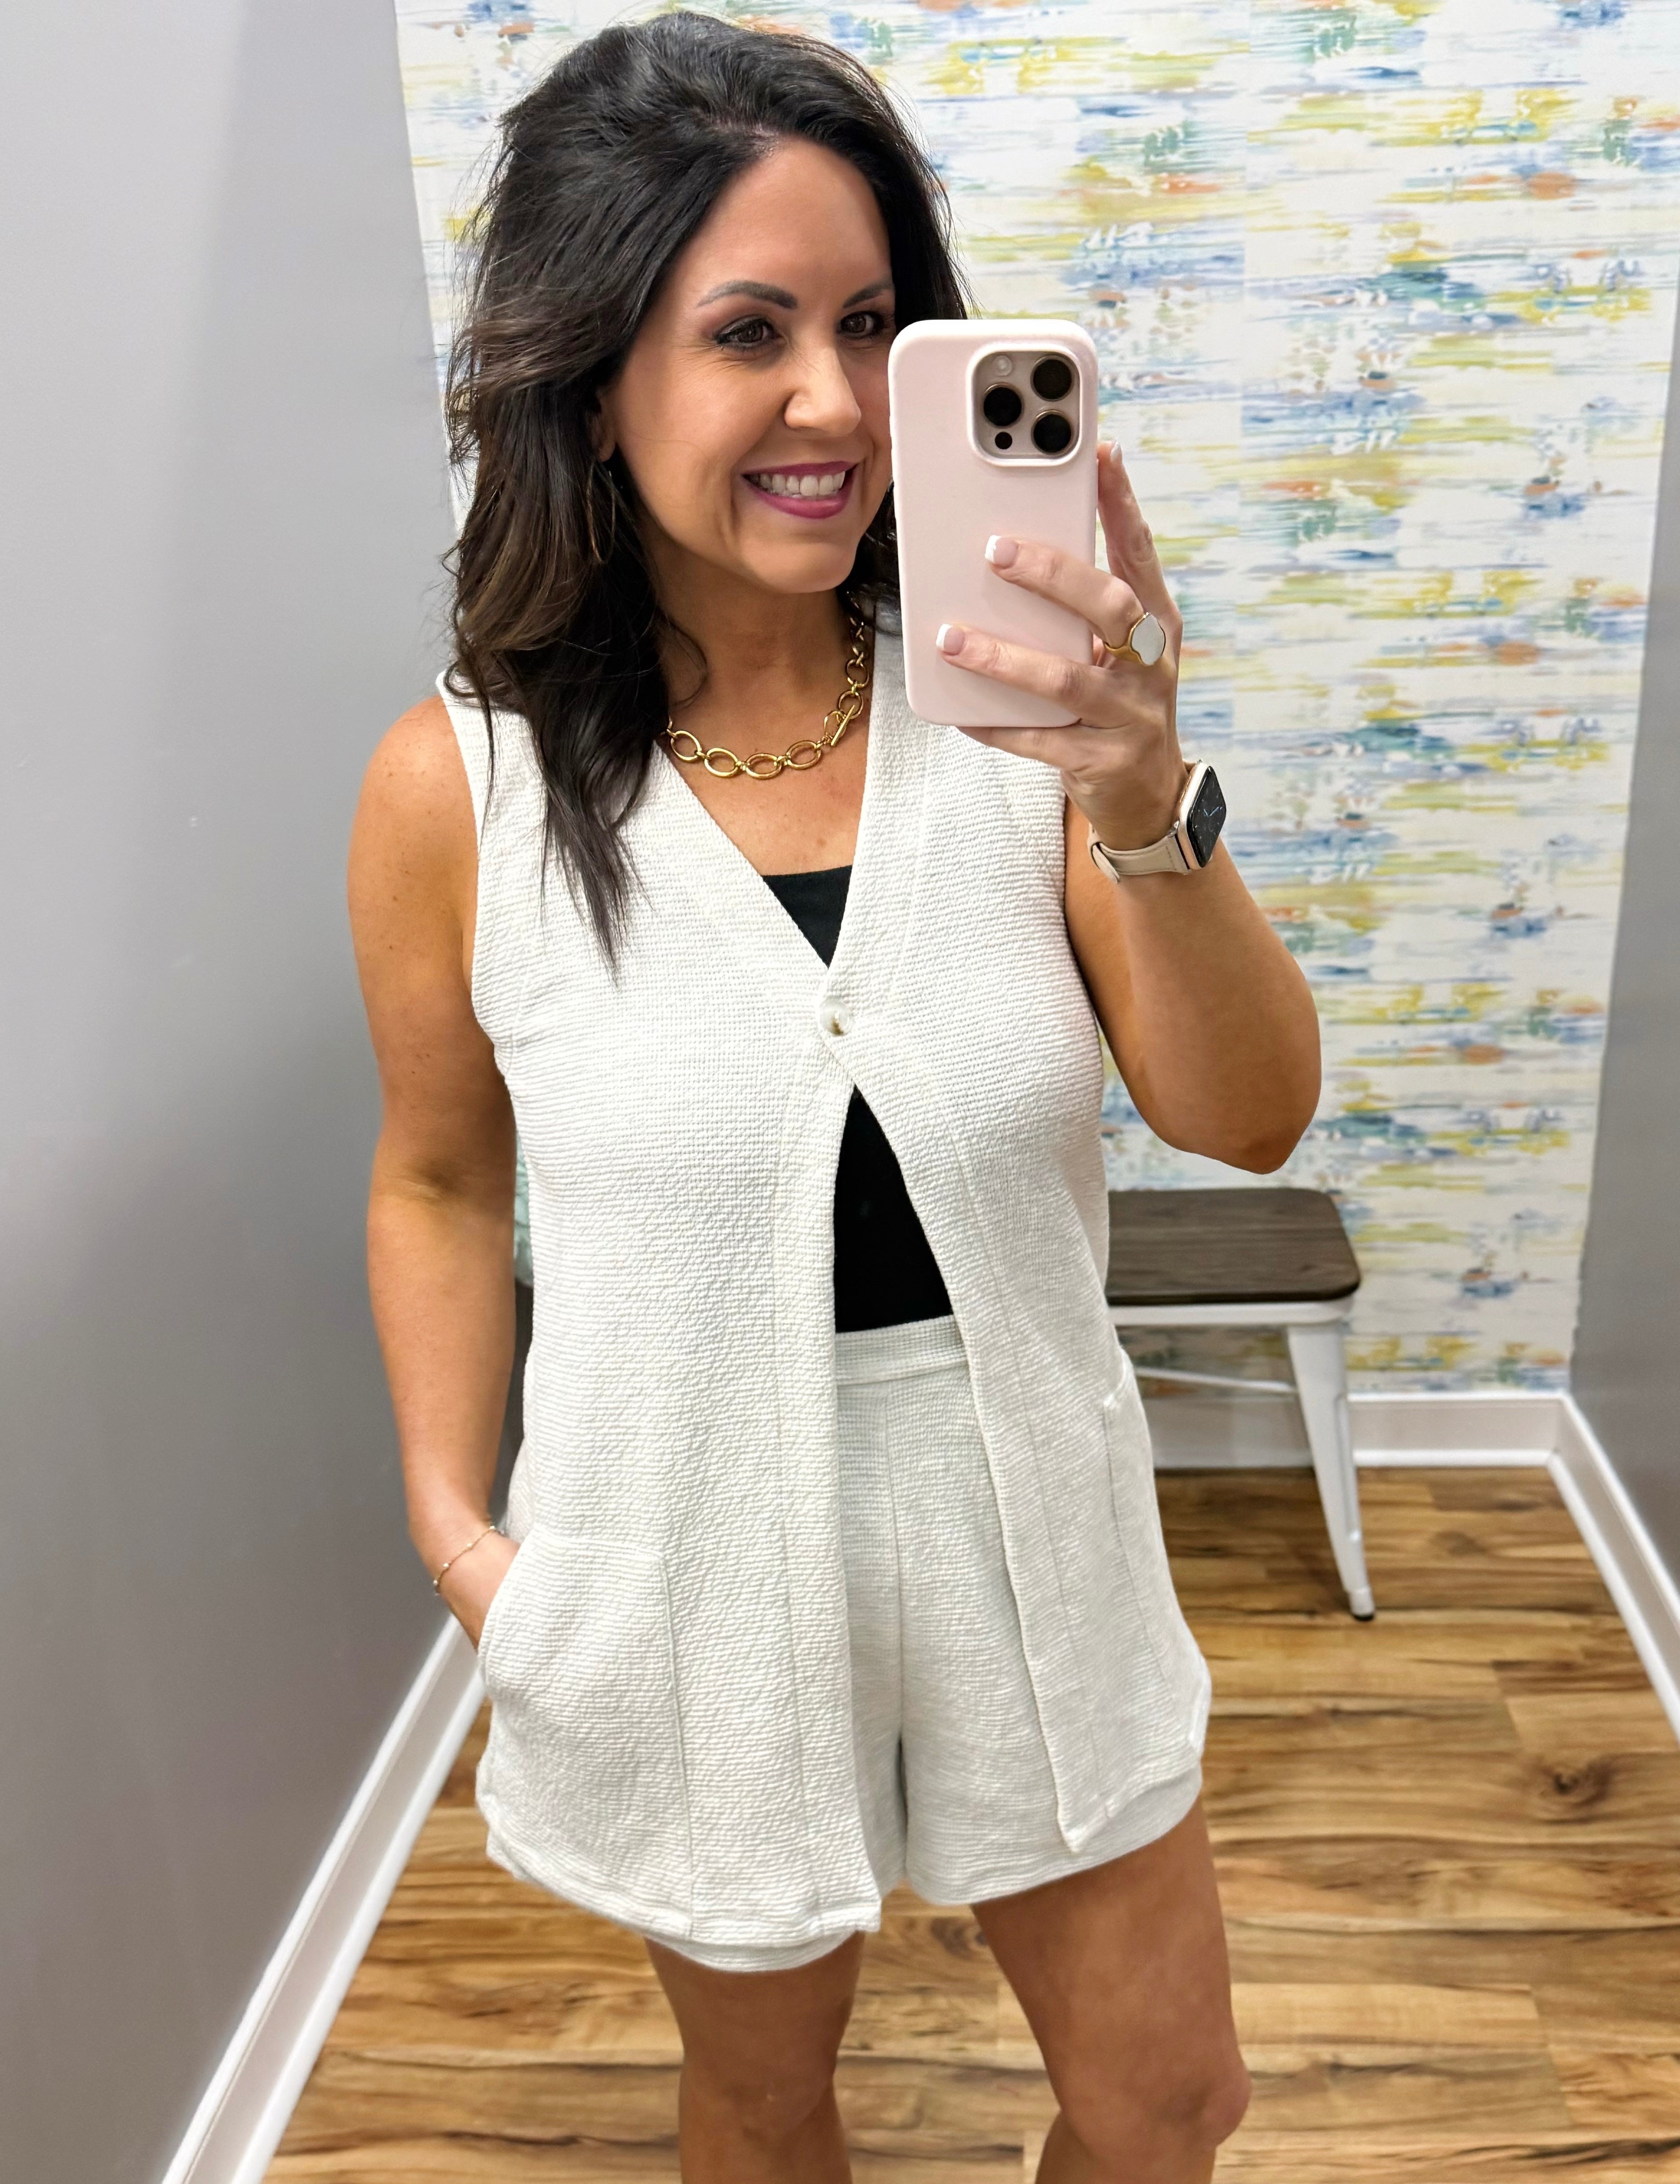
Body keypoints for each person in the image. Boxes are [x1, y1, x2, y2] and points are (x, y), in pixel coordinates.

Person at [348, 15, 1318, 2179]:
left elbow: (1247, 1119)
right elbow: (434, 1173)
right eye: (748, 330)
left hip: (1029, 1525)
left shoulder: (1024, 731)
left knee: (1171, 2100)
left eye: (874, 325)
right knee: (767, 2096)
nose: (831, 400)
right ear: (593, 373)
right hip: (686, 1552)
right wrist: (460, 1532)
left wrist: (1150, 796)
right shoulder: (460, 796)